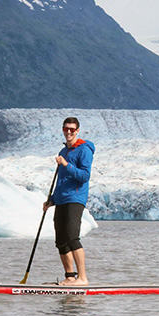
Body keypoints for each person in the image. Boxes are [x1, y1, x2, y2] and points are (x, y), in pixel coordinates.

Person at [43, 117, 95, 286]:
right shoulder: (63, 151)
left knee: (72, 237)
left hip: (75, 198)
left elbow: (84, 176)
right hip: (62, 199)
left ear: (77, 131)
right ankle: (70, 276)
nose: (69, 132)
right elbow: (60, 181)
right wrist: (51, 200)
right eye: (66, 129)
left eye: (72, 129)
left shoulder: (84, 150)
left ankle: (82, 278)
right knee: (61, 241)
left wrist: (66, 164)